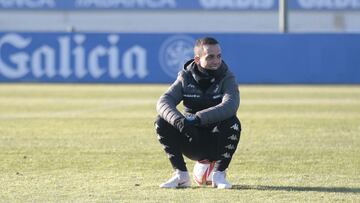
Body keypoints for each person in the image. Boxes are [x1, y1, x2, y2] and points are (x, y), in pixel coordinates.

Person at [155, 37, 241, 189]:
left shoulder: (227, 77)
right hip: (191, 139)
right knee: (161, 121)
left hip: (216, 142)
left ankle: (219, 175)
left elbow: (230, 105)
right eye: (210, 57)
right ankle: (181, 175)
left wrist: (198, 118)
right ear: (197, 58)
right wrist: (178, 121)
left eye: (219, 56)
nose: (216, 61)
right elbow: (163, 102)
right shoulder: (185, 77)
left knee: (233, 122)